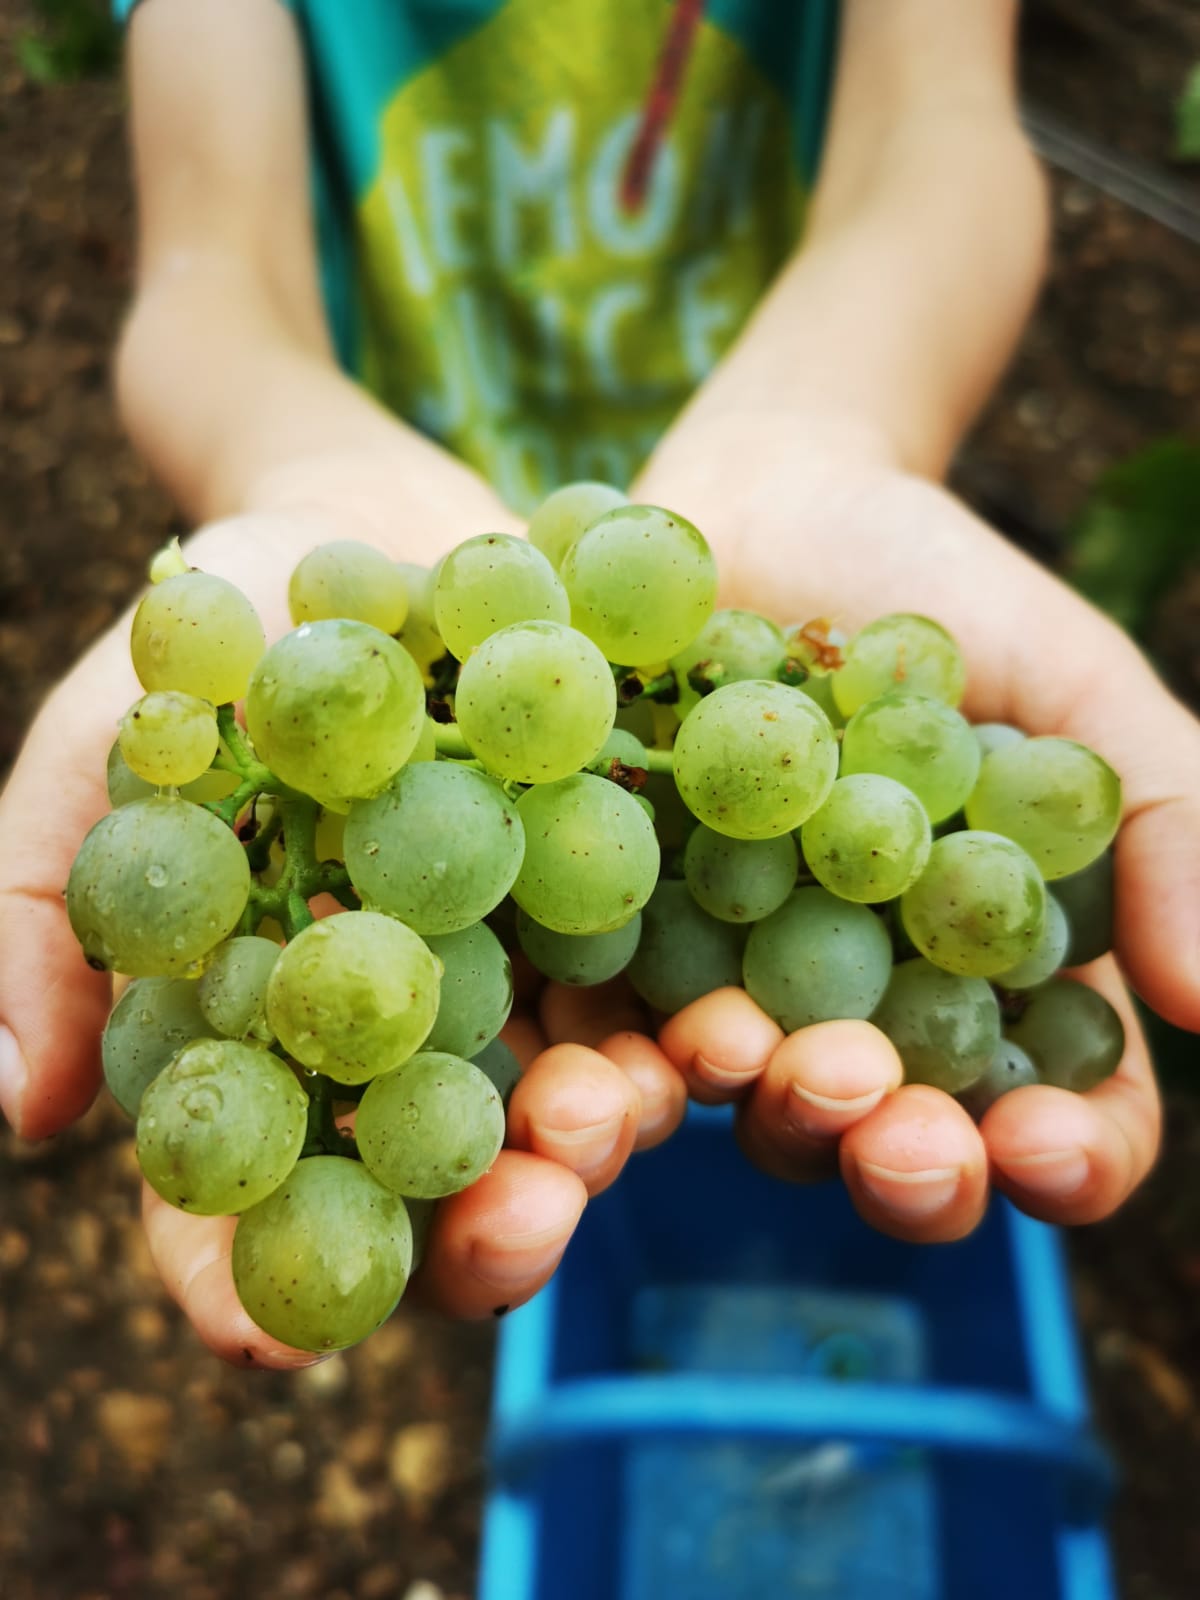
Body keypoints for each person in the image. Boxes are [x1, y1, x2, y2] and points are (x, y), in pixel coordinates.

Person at [0, 0, 1196, 1369]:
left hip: (691, 516)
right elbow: (205, 281)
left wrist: (827, 423)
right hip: (438, 541)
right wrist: (290, 464)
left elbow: (945, 135)